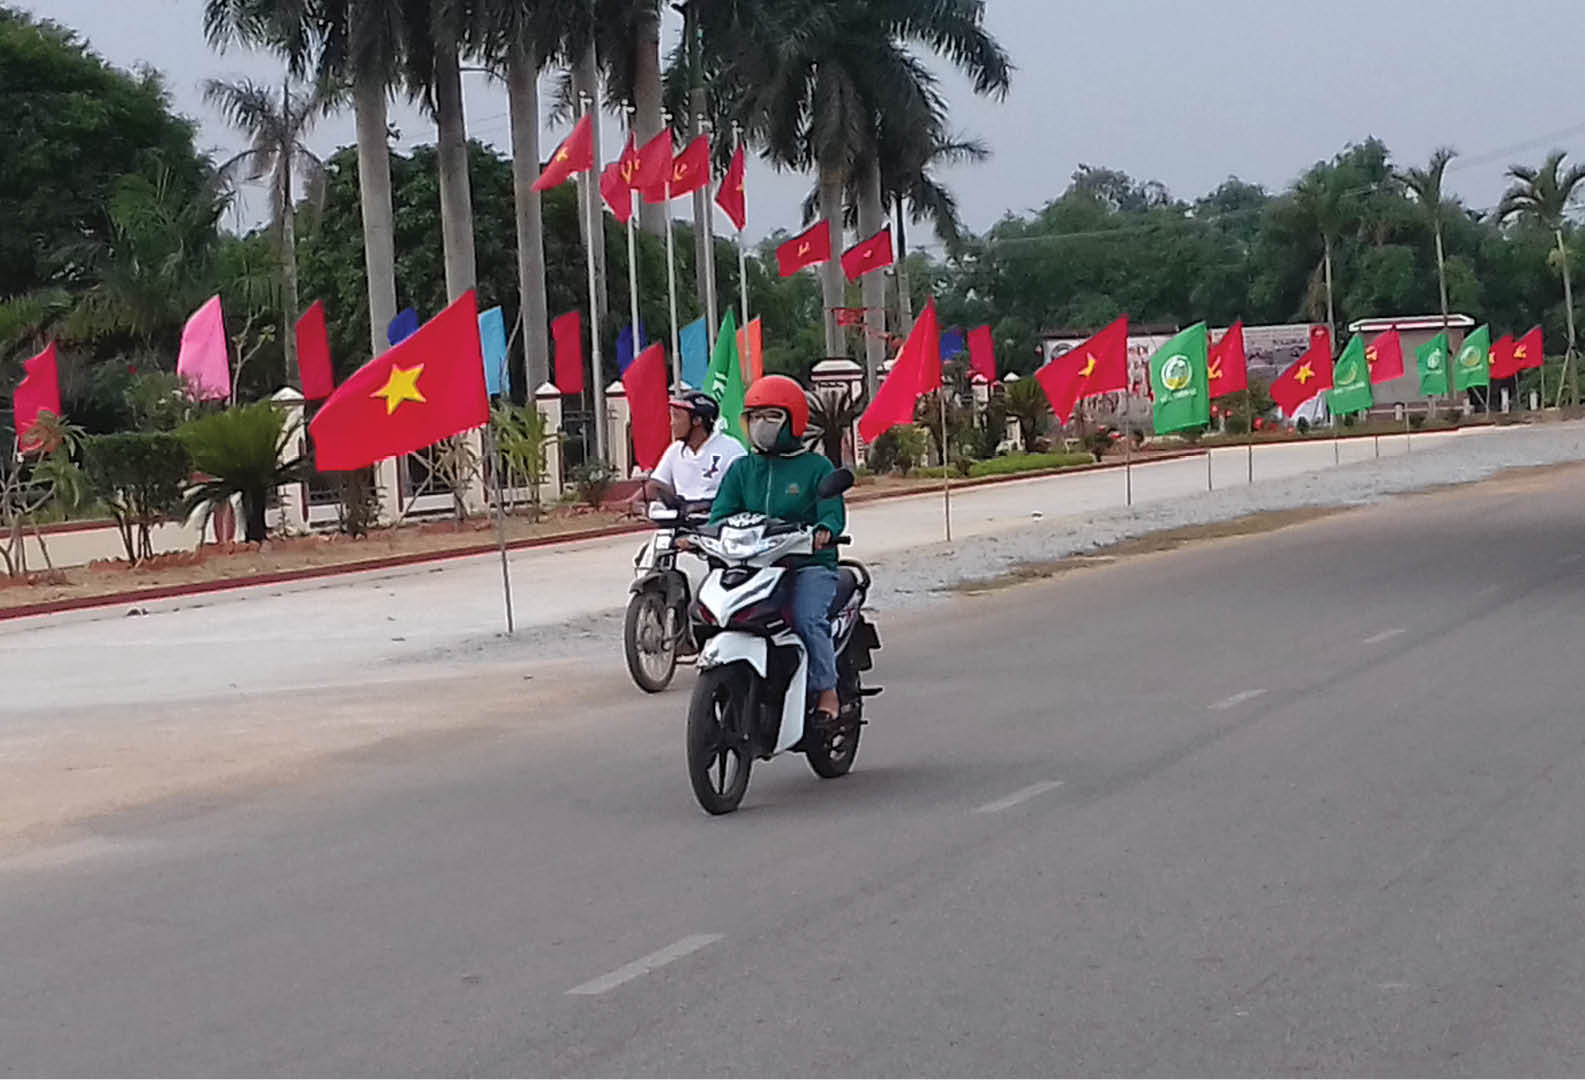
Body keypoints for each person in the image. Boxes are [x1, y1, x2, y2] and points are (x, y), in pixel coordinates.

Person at [708, 375, 847, 727]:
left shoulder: (816, 467)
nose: (761, 425)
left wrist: (825, 531)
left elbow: (832, 514)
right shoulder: (742, 469)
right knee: (717, 612)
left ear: (794, 419)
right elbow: (720, 515)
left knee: (806, 618)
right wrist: (699, 536)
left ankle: (827, 690)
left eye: (771, 416)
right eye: (754, 417)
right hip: (756, 566)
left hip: (808, 564)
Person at [632, 391, 745, 512]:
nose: (672, 423)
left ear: (697, 420)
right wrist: (630, 503)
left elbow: (742, 492)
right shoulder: (675, 450)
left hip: (717, 515)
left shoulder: (731, 449)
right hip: (682, 515)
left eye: (677, 417)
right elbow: (657, 484)